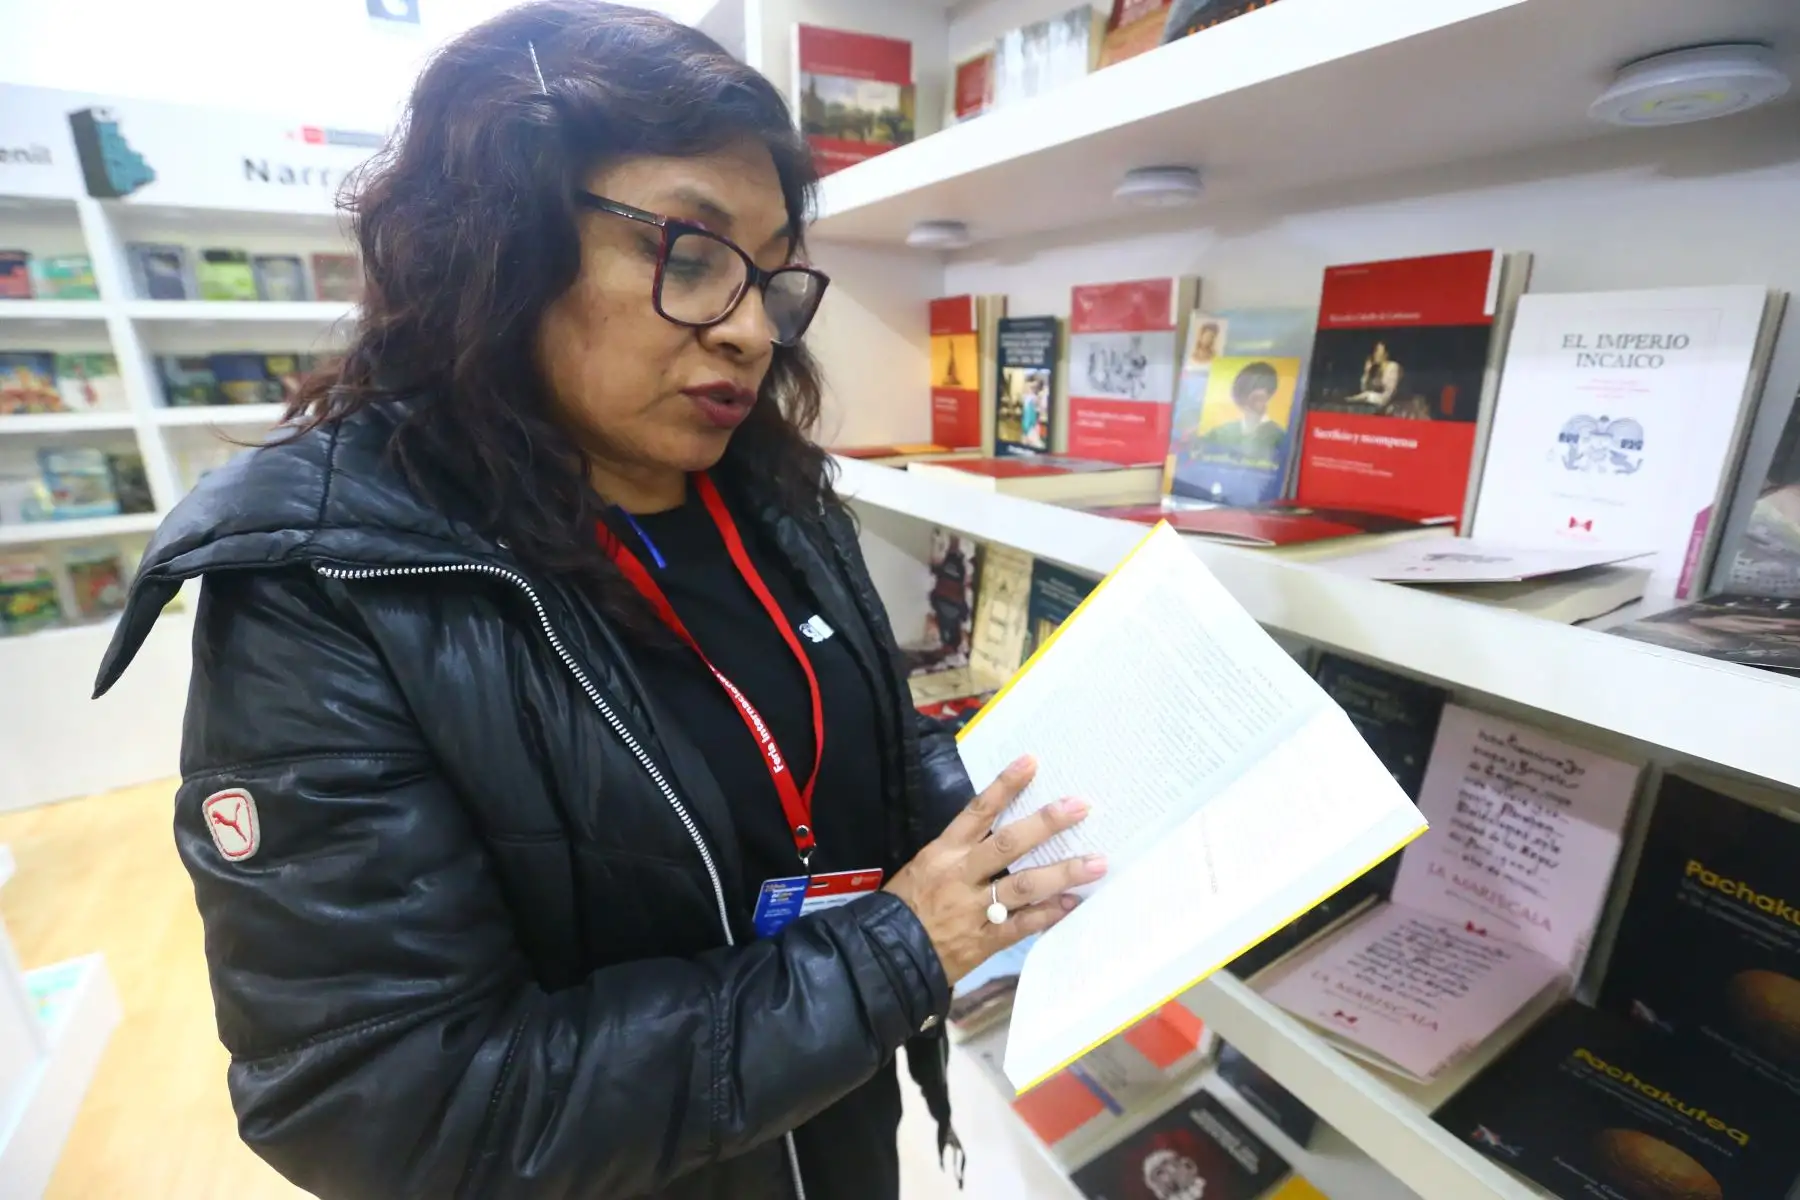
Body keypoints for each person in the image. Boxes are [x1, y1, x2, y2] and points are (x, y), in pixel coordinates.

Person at [92, 5, 1103, 1198]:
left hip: (831, 1142)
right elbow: (381, 1100)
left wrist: (1021, 827)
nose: (746, 330)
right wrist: (892, 958)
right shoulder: (333, 584)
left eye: (773, 277)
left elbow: (835, 757)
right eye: (687, 254)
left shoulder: (775, 497)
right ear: (494, 243)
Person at [1197, 360, 1286, 469]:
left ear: (1268, 397)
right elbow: (1197, 454)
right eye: (1244, 394)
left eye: (1258, 398)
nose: (1249, 402)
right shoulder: (1220, 432)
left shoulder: (1279, 436)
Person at [1347, 339, 1402, 407]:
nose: (1375, 354)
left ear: (1386, 354)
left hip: (1390, 404)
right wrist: (1367, 372)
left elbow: (1389, 393)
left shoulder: (1393, 367)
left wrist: (1368, 396)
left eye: (1378, 350)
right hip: (1374, 403)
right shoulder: (1375, 369)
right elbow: (1364, 389)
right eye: (1375, 351)